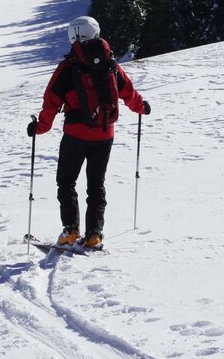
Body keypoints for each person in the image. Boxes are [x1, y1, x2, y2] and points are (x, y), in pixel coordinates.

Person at [27, 16, 150, 249]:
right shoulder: (110, 63)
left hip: (75, 134)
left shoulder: (69, 66)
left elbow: (51, 100)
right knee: (96, 184)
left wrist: (40, 128)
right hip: (105, 135)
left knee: (66, 181)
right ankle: (94, 235)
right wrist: (141, 107)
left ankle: (71, 231)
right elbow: (128, 91)